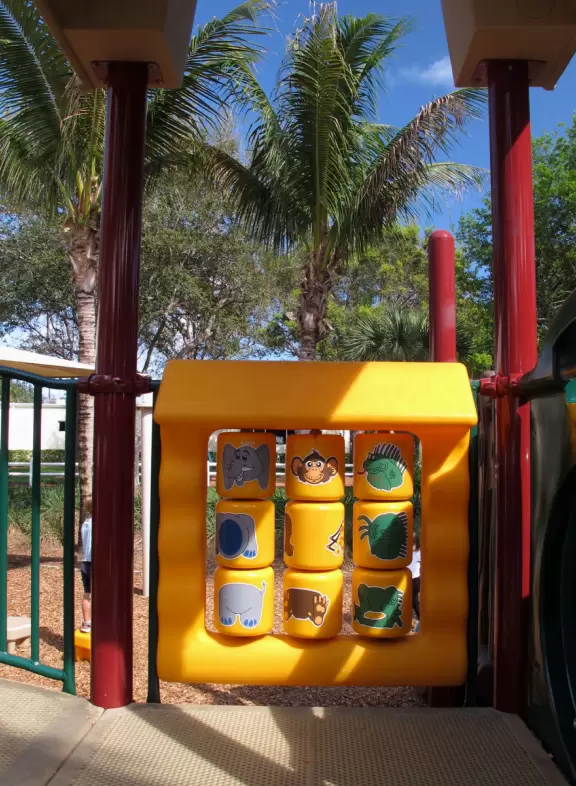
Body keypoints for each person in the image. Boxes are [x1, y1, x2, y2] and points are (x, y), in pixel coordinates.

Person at [80, 501, 92, 633]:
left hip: (85, 562)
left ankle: (87, 623)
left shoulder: (86, 523)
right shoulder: (98, 524)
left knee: (87, 593)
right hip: (95, 562)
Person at [410, 531, 421, 623]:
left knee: (414, 601)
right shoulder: (405, 554)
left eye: (413, 544)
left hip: (415, 580)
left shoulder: (418, 553)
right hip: (405, 579)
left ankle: (421, 618)